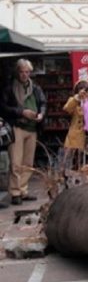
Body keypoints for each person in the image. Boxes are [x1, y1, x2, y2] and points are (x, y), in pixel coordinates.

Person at [0, 59, 46, 207]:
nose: (25, 75)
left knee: (27, 162)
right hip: (17, 126)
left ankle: (23, 189)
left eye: (27, 72)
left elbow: (43, 103)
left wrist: (41, 114)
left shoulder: (36, 88)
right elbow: (3, 107)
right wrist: (21, 112)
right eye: (22, 72)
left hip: (32, 127)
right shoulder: (9, 88)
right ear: (17, 72)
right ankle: (15, 192)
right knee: (16, 162)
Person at [62, 81, 88, 170]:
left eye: (86, 90)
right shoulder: (73, 100)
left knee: (87, 162)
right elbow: (67, 109)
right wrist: (77, 98)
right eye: (81, 90)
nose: (84, 93)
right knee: (70, 159)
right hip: (75, 135)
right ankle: (67, 176)